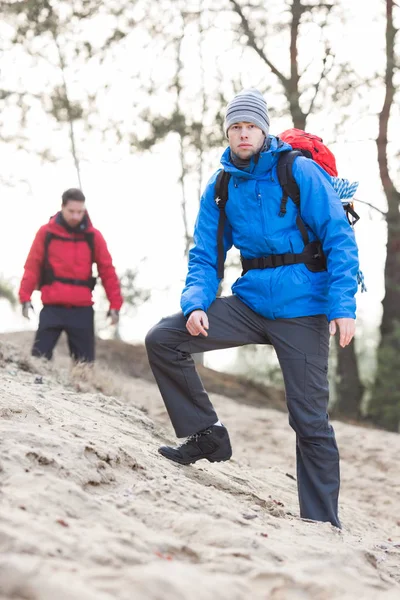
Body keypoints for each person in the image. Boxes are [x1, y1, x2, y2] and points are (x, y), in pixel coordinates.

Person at [145, 89, 359, 528]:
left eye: (250, 126)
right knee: (164, 339)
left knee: (309, 419)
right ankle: (207, 436)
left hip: (304, 309)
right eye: (235, 127)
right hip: (250, 302)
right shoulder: (222, 185)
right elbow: (206, 255)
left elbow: (339, 237)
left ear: (264, 130)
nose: (243, 134)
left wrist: (342, 306)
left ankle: (321, 523)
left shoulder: (296, 171)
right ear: (228, 133)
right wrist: (196, 304)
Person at [19, 188, 123, 363]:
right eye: (71, 211)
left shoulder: (93, 236)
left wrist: (115, 305)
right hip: (52, 307)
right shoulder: (46, 233)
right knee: (38, 360)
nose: (76, 216)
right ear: (62, 207)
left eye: (80, 212)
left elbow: (108, 271)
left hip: (82, 309)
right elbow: (32, 267)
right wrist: (25, 297)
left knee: (84, 364)